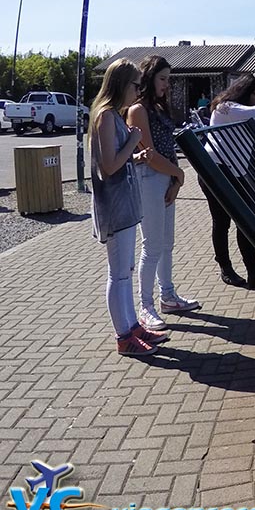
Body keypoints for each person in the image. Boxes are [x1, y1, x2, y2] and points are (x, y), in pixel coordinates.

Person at [90, 59, 169, 357]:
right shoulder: (107, 116)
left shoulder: (112, 115)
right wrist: (134, 141)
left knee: (124, 269)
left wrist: (134, 157)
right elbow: (109, 166)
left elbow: (114, 162)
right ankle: (124, 335)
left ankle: (132, 326)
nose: (139, 90)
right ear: (122, 83)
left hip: (123, 203)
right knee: (119, 274)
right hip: (115, 206)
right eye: (136, 84)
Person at [127, 56, 201, 332]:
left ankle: (167, 295)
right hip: (150, 179)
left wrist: (175, 178)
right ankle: (146, 306)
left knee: (166, 242)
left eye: (168, 78)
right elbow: (149, 155)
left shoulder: (158, 108)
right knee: (152, 245)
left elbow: (166, 149)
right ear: (148, 78)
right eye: (163, 78)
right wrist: (179, 174)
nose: (167, 84)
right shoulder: (137, 110)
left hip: (166, 178)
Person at [201, 74, 255, 288]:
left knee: (246, 221)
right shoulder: (225, 107)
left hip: (234, 171)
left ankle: (253, 273)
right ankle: (226, 268)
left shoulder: (249, 108)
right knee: (223, 222)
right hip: (215, 170)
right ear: (245, 91)